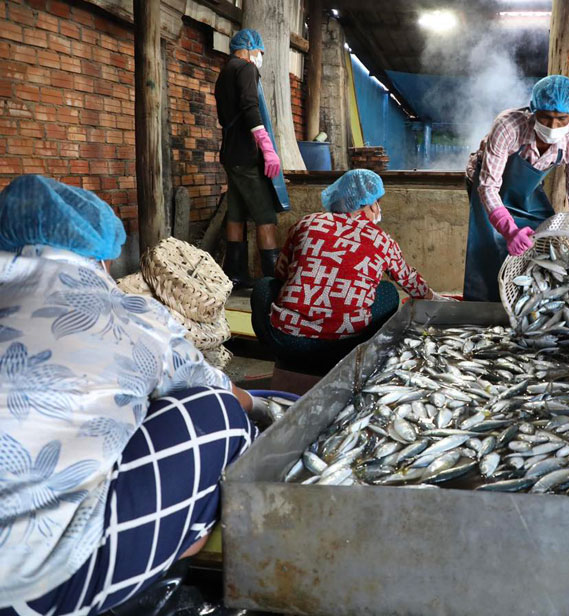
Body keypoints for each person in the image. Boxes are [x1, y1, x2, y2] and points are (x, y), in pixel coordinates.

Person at [0, 175, 258, 615]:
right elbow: (216, 387)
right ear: (99, 256)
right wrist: (263, 406)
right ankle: (177, 553)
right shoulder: (128, 314)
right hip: (35, 587)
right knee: (217, 412)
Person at [252, 170, 448, 370]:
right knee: (389, 292)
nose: (378, 208)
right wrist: (439, 300)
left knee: (264, 285)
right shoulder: (382, 241)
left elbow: (280, 274)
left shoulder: (307, 223)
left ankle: (285, 358)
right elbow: (412, 284)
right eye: (377, 202)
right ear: (370, 204)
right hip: (344, 344)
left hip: (287, 340)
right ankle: (358, 356)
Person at [463, 75, 569, 301]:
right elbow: (488, 186)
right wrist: (510, 231)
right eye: (545, 117)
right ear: (534, 110)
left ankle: (523, 302)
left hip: (526, 189)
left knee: (541, 239)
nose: (552, 126)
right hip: (486, 185)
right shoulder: (508, 126)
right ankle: (484, 307)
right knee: (488, 246)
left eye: (561, 119)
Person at [215, 29, 288, 289]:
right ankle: (271, 281)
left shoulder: (225, 72)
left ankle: (235, 275)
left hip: (230, 154)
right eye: (259, 51)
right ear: (248, 48)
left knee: (235, 214)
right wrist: (266, 146)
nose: (260, 56)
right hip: (246, 154)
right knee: (266, 216)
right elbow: (249, 106)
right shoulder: (246, 68)